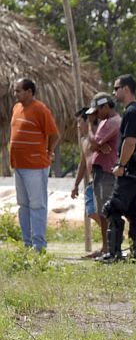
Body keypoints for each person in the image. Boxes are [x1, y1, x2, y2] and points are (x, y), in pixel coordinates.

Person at [8, 77, 60, 251]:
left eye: (18, 91)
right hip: (19, 165)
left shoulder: (40, 109)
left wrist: (49, 151)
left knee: (37, 205)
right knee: (23, 205)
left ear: (29, 92)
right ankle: (27, 244)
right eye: (15, 90)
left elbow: (54, 134)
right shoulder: (16, 108)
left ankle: (39, 246)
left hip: (35, 166)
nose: (15, 94)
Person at [102, 74, 136, 262]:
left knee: (112, 208)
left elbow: (130, 141)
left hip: (130, 170)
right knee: (133, 210)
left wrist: (121, 165)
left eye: (116, 88)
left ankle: (114, 254)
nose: (114, 92)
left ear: (126, 89)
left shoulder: (132, 112)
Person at [71, 93, 120, 258]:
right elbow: (85, 161)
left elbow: (97, 143)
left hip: (106, 174)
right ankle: (107, 245)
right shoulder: (98, 130)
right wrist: (76, 184)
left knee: (104, 212)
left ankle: (111, 246)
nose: (78, 126)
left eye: (80, 122)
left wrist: (95, 133)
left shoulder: (110, 123)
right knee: (98, 212)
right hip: (97, 176)